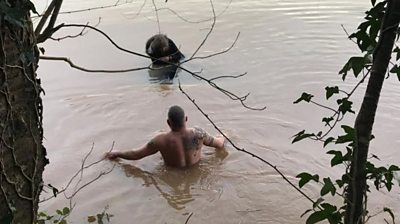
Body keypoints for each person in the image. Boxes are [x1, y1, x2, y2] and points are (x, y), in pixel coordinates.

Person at [104, 105, 225, 168]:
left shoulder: (160, 140)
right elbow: (219, 144)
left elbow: (136, 155)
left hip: (173, 170)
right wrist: (223, 136)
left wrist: (117, 153)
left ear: (168, 122)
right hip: (196, 167)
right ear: (186, 119)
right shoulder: (199, 133)